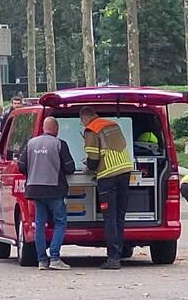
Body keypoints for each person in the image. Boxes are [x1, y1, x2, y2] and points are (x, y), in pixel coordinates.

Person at [18, 116, 76, 270]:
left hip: (35, 190)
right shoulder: (59, 144)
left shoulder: (31, 143)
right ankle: (55, 258)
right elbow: (70, 167)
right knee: (60, 222)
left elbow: (21, 166)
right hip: (54, 189)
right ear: (55, 129)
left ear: (44, 128)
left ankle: (42, 260)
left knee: (39, 225)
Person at [80, 106, 133, 270]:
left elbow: (93, 158)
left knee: (109, 217)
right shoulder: (112, 125)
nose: (82, 124)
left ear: (85, 117)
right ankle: (119, 253)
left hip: (108, 175)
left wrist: (87, 168)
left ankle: (113, 258)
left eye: (81, 121)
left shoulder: (91, 129)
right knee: (119, 217)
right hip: (125, 171)